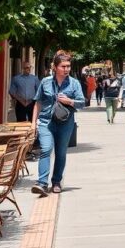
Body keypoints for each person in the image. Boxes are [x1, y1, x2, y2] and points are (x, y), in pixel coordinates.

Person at [31, 52, 85, 195]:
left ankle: (56, 181)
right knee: (46, 149)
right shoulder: (46, 82)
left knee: (61, 153)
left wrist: (69, 101)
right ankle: (42, 183)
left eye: (68, 66)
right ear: (55, 67)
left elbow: (82, 103)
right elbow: (38, 102)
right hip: (46, 121)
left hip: (65, 122)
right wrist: (33, 123)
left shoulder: (74, 83)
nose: (66, 69)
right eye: (63, 66)